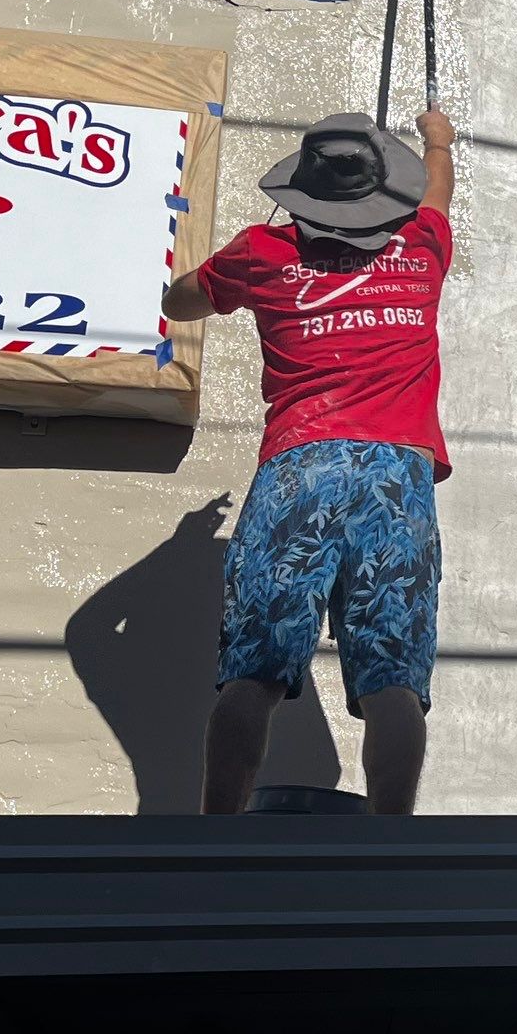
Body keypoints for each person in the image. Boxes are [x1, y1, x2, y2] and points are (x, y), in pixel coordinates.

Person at [163, 109, 456, 815]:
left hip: (300, 464)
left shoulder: (261, 253)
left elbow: (182, 301)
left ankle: (215, 834)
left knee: (254, 673)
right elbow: (439, 191)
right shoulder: (423, 243)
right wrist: (437, 140)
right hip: (398, 475)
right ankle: (390, 839)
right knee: (392, 680)